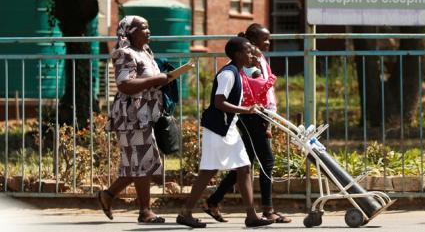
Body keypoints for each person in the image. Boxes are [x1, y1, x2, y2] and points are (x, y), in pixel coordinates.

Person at [97, 15, 194, 223]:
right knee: (142, 161)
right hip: (131, 115)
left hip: (146, 113)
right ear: (130, 32)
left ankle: (108, 195)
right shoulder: (125, 53)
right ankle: (145, 212)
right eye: (143, 28)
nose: (148, 31)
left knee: (143, 161)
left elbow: (146, 81)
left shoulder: (145, 52)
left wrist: (166, 79)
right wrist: (156, 79)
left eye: (148, 27)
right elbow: (124, 85)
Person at [176, 37, 274, 228]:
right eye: (248, 51)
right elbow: (219, 102)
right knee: (208, 171)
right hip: (218, 130)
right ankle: (185, 212)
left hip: (227, 129)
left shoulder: (237, 72)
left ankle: (251, 215)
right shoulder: (228, 74)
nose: (251, 54)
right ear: (238, 54)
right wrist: (246, 110)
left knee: (244, 168)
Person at [204, 23, 291, 224]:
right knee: (266, 161)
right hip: (251, 114)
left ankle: (213, 201)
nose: (268, 43)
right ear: (251, 42)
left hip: (260, 114)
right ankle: (268, 210)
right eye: (264, 39)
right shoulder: (250, 61)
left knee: (244, 164)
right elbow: (256, 85)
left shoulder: (258, 58)